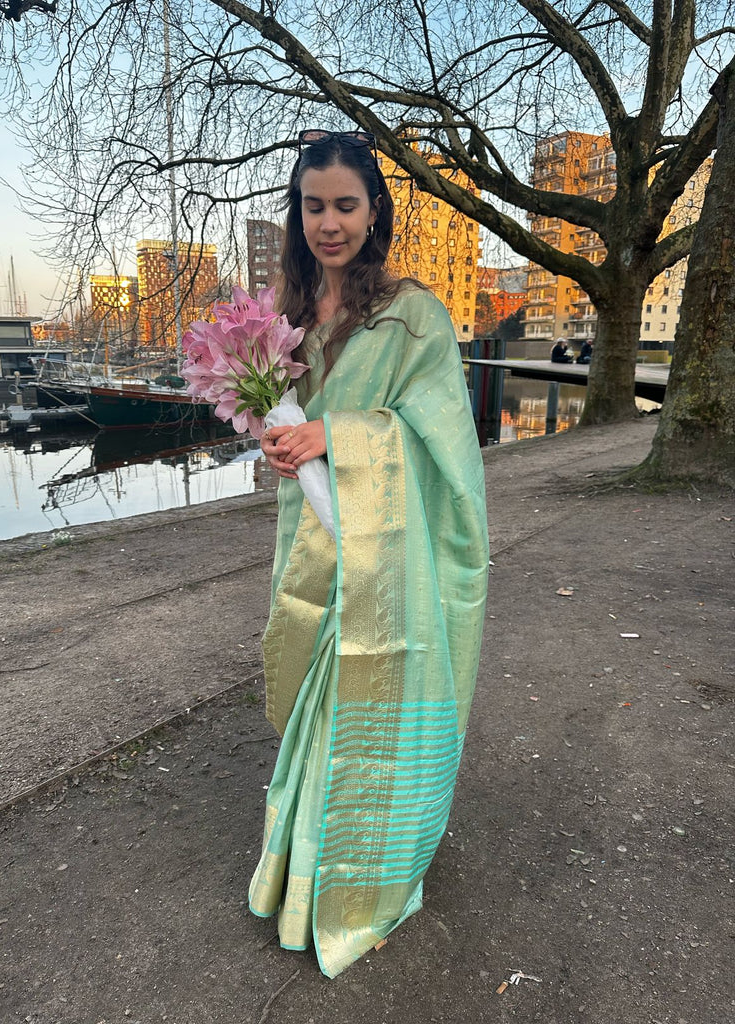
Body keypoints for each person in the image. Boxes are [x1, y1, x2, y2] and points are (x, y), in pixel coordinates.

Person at [252, 128, 489, 979]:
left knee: (370, 697)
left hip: (385, 549)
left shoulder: (412, 315)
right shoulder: (284, 320)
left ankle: (367, 875)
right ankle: (305, 868)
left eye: (346, 205)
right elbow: (287, 423)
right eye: (313, 206)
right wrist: (280, 441)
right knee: (319, 707)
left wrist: (336, 436)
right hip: (312, 538)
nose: (329, 223)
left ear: (375, 210)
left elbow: (442, 441)